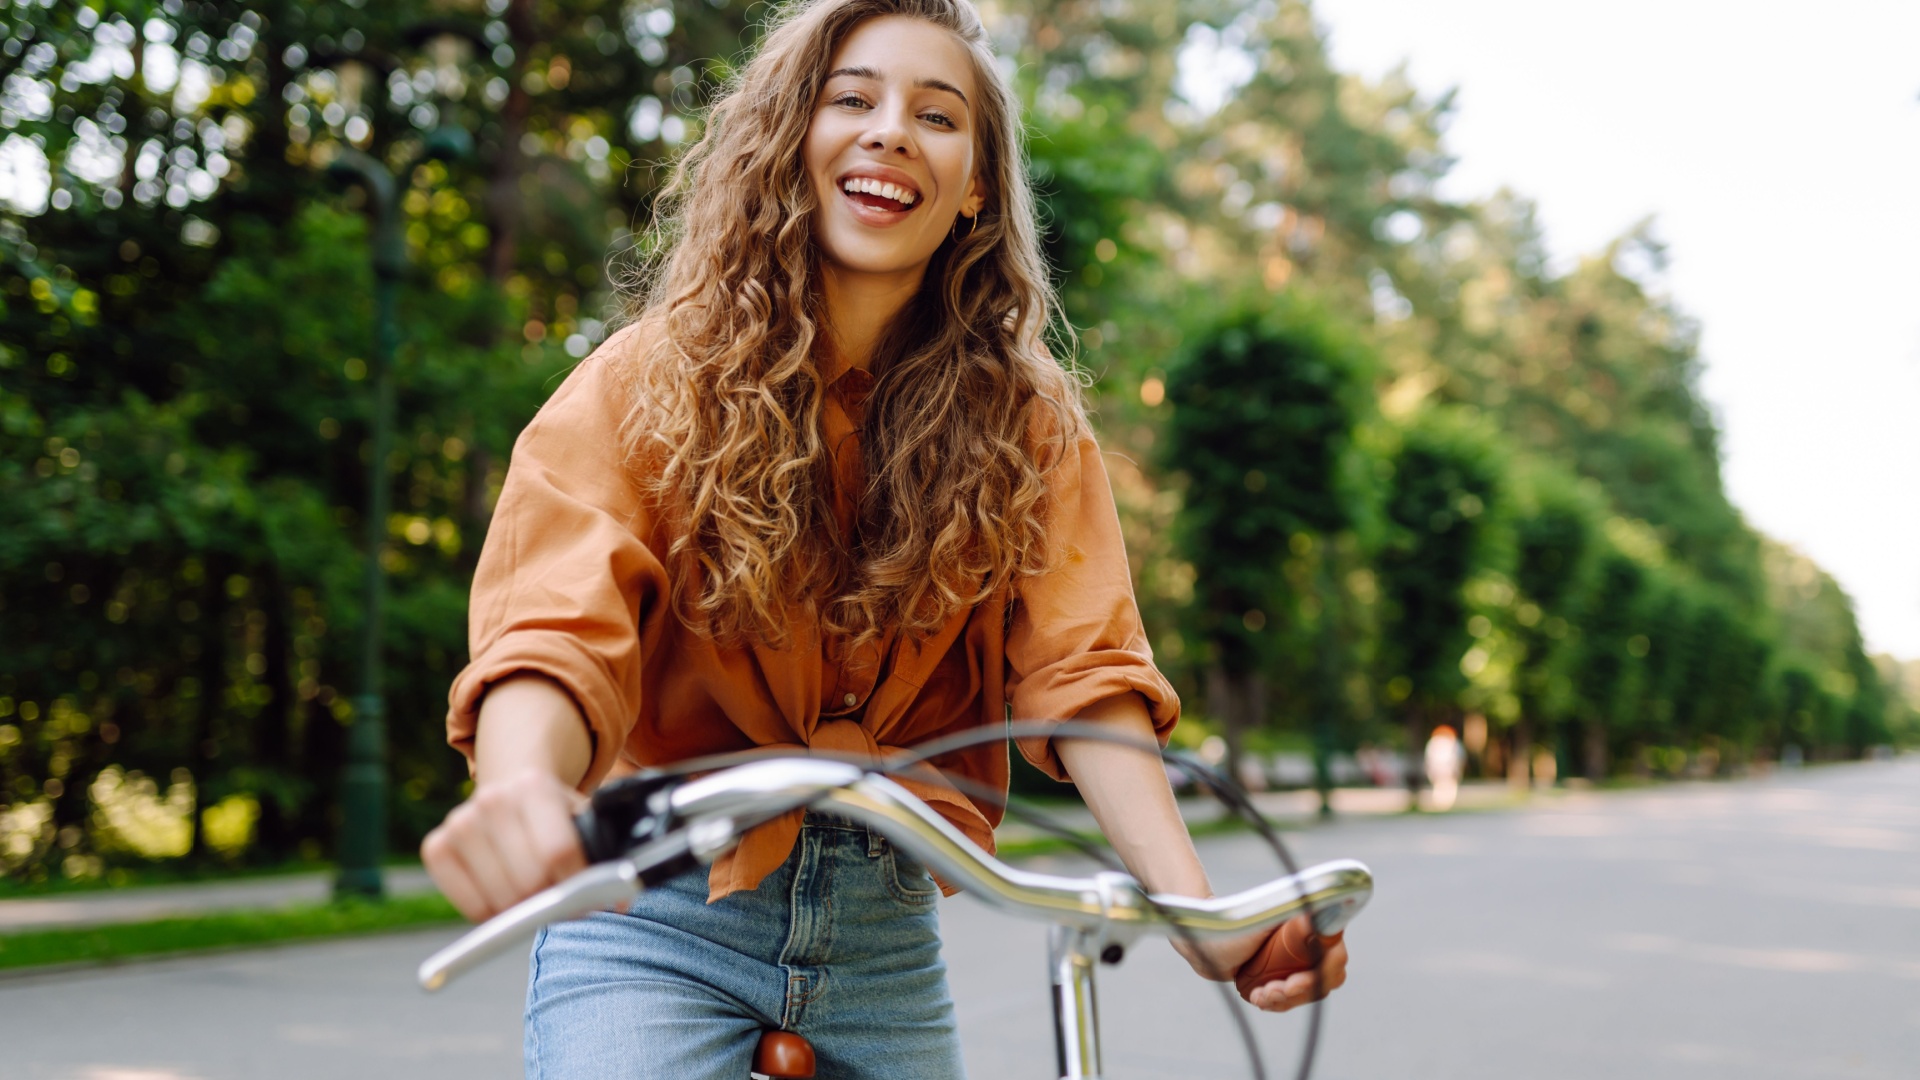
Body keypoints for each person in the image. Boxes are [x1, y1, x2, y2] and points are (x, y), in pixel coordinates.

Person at [420, 1, 1349, 1075]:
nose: (891, 130)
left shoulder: (1029, 425)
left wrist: (1200, 912)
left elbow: (1085, 670)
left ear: (979, 187)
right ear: (784, 140)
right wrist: (523, 786)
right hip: (658, 915)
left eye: (938, 115)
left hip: (886, 934)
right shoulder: (643, 383)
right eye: (850, 98)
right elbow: (557, 627)